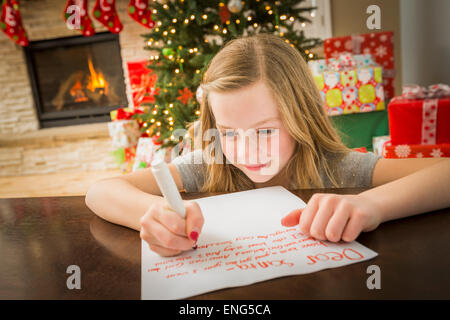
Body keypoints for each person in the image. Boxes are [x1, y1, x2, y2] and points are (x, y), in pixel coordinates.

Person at [85, 33, 449, 257]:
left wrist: (371, 204)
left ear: (300, 118)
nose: (245, 151)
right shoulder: (207, 164)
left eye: (264, 132)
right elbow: (100, 192)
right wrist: (152, 215)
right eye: (228, 132)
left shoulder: (334, 166)